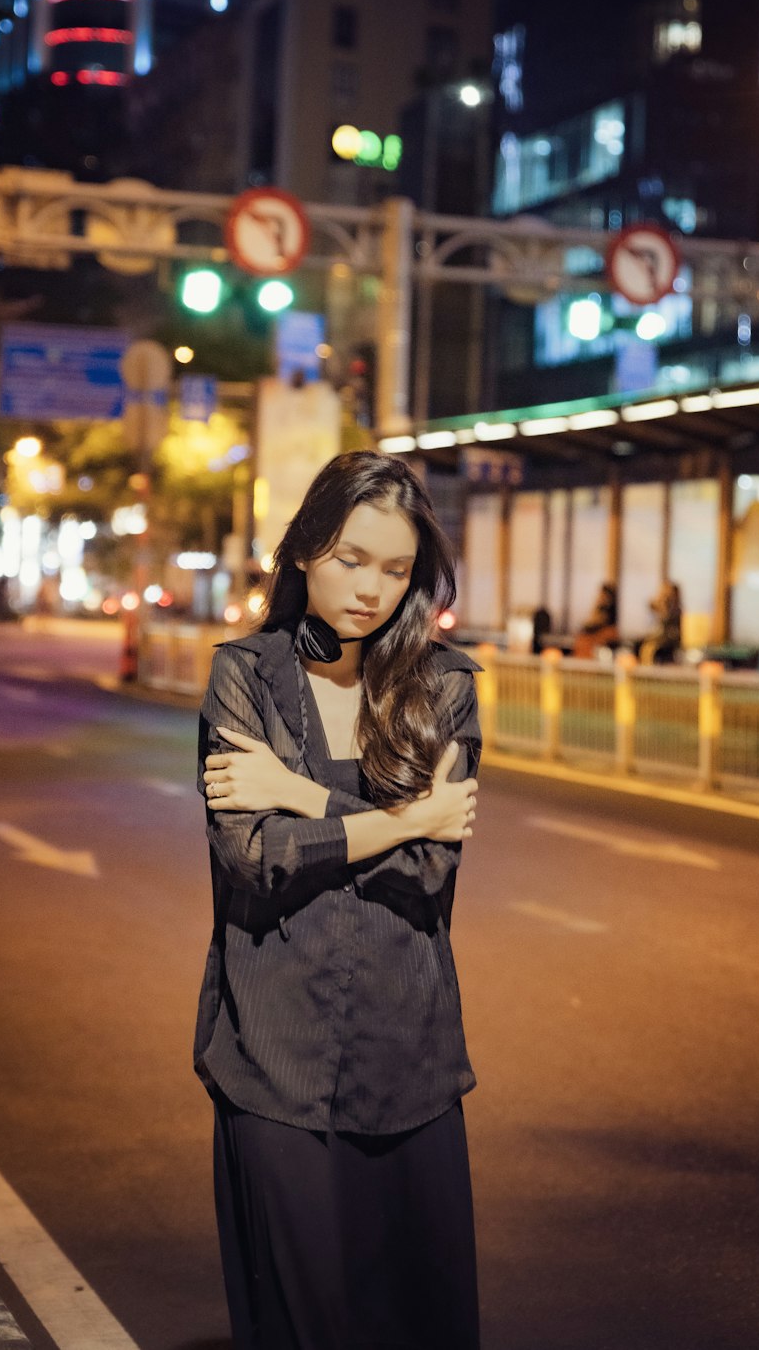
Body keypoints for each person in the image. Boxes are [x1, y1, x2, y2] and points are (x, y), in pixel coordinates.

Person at [196, 449, 481, 1350]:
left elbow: (433, 872)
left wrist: (303, 792)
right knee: (302, 1324)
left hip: (410, 1055)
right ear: (308, 548)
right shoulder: (246, 676)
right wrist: (405, 819)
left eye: (396, 571)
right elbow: (255, 859)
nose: (372, 589)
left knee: (418, 1320)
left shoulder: (444, 686)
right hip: (274, 1053)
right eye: (352, 559)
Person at [640, 580, 683, 664]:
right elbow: (651, 606)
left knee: (650, 646)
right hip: (661, 636)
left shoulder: (676, 609)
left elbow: (666, 623)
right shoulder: (664, 604)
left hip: (669, 638)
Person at [572, 581, 619, 659]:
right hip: (595, 634)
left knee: (584, 641)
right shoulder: (598, 608)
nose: (599, 597)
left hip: (603, 634)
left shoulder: (610, 629)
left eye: (602, 595)